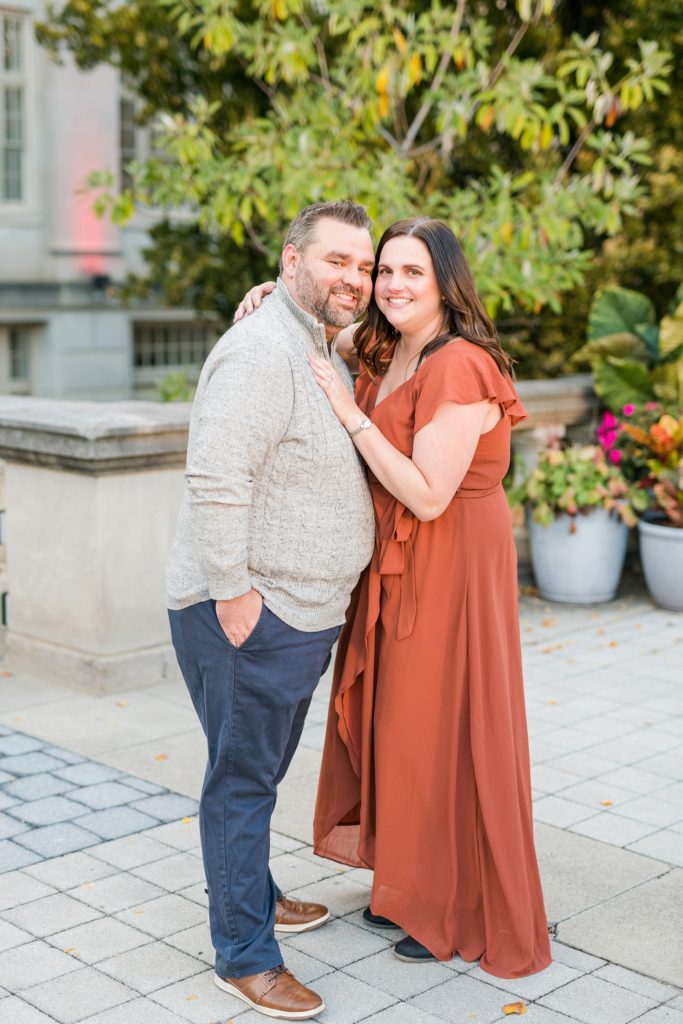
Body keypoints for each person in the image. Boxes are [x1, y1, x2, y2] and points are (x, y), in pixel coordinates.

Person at [237, 217, 551, 979]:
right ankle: (409, 883)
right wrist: (274, 292)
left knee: (443, 725)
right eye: (384, 271)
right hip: (396, 561)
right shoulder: (386, 344)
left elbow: (428, 492)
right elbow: (321, 325)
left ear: (445, 282)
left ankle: (453, 900)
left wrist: (349, 417)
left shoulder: (461, 363)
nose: (392, 285)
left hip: (451, 560)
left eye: (413, 272)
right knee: (400, 724)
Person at [166, 200, 377, 1020]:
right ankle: (245, 954)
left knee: (256, 772)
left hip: (297, 611)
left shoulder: (313, 338)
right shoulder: (262, 351)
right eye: (336, 261)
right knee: (243, 783)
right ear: (292, 261)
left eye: (362, 265)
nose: (354, 278)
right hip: (252, 612)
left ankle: (252, 891)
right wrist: (234, 595)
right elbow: (217, 477)